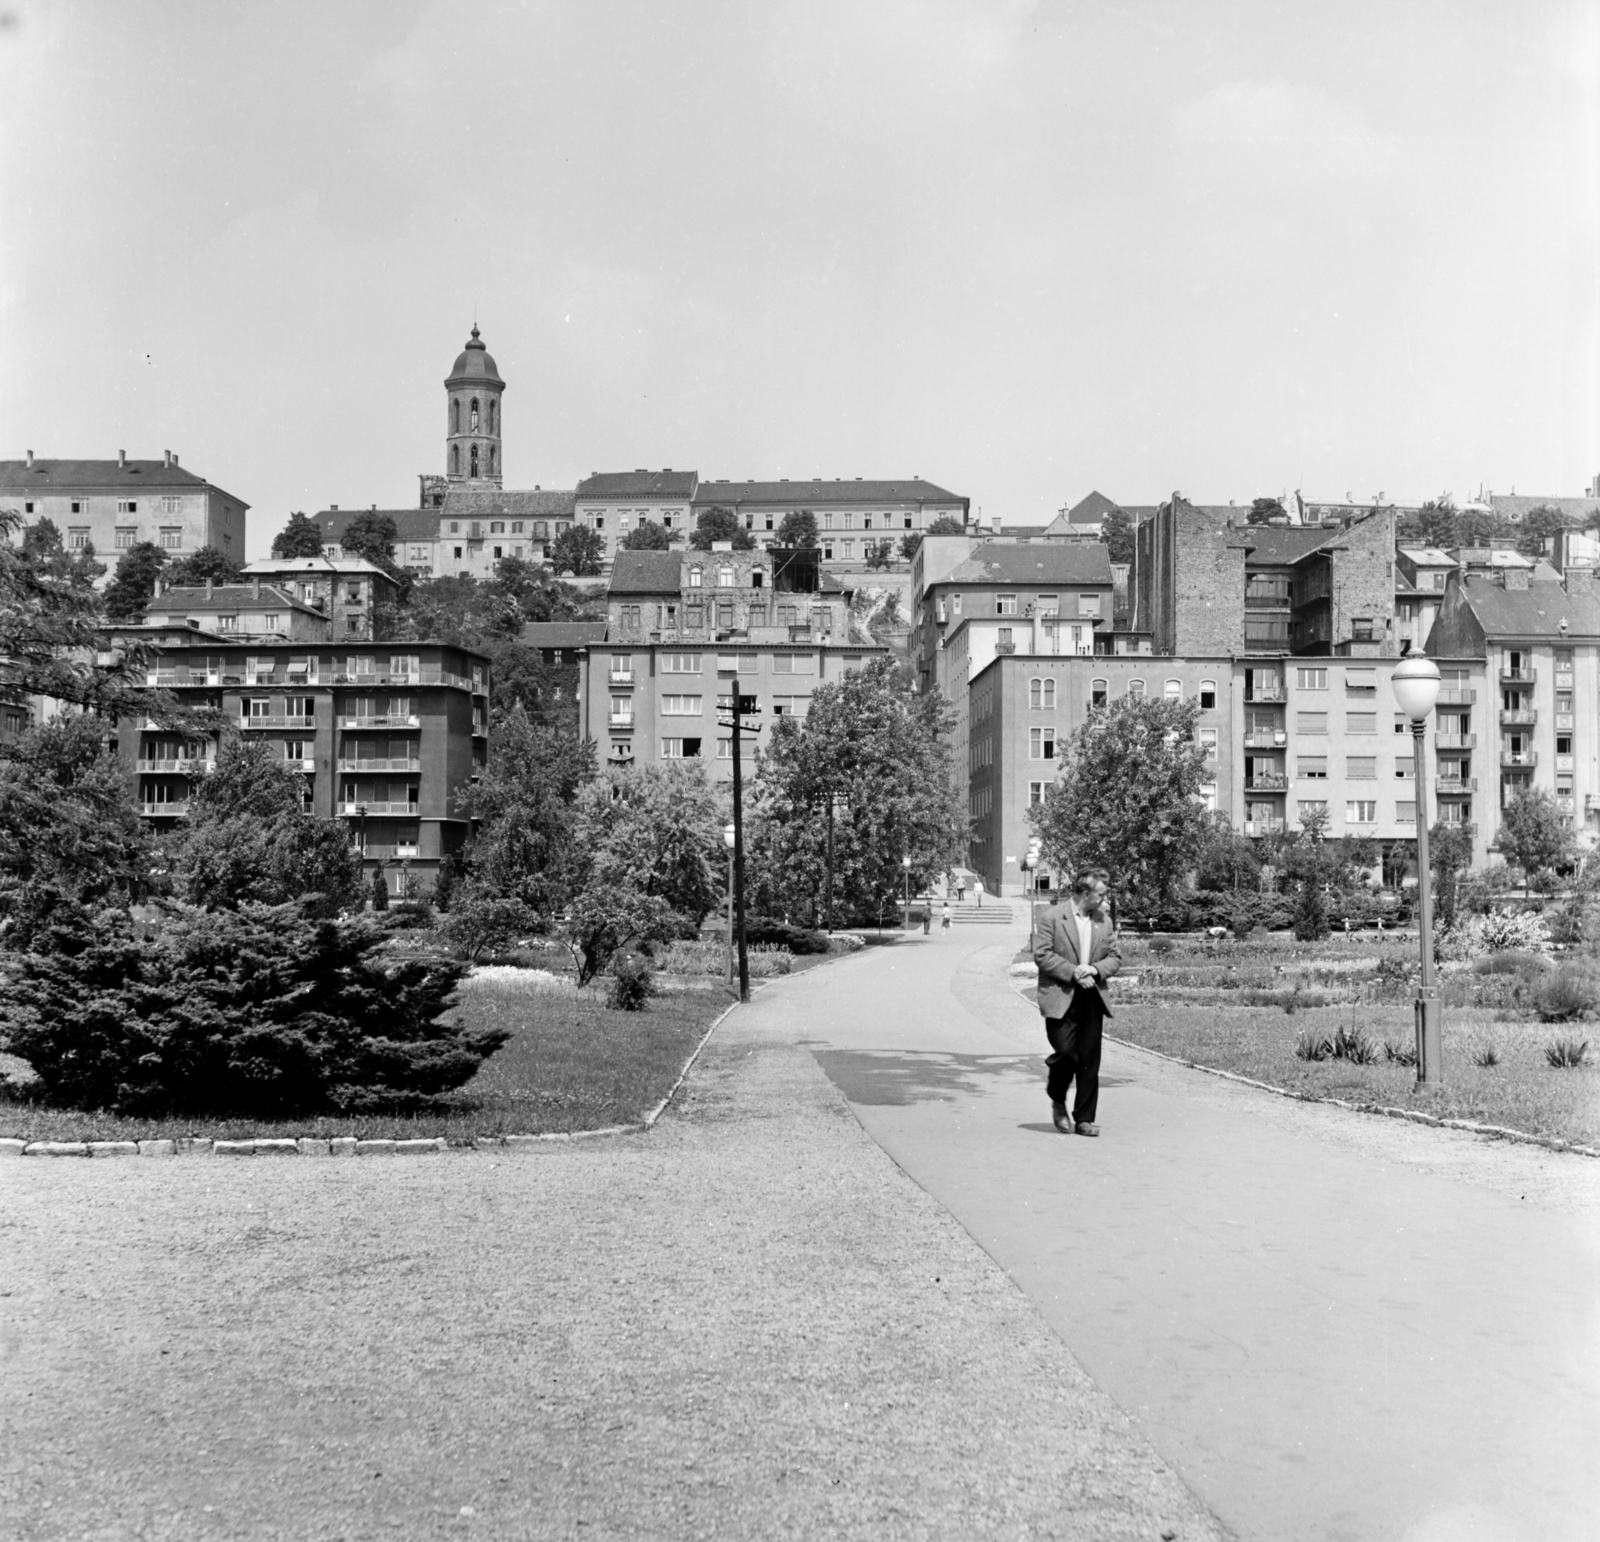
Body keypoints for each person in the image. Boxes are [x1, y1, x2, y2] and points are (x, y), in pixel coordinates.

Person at [1032, 868, 1121, 1137]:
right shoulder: (1051, 917)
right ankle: (1057, 1097)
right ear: (1085, 893)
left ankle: (1084, 1118)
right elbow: (1042, 955)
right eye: (1101, 894)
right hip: (1061, 995)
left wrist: (1093, 970)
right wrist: (1073, 973)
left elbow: (1115, 957)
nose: (1104, 900)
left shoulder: (1103, 921)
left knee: (1089, 1060)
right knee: (1065, 1053)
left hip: (1092, 995)